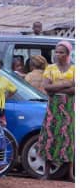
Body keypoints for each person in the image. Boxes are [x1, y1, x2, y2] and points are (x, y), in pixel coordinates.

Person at [37, 41, 74, 179]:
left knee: (69, 137)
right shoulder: (50, 68)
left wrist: (56, 86)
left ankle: (70, 174)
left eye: (61, 52)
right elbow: (47, 87)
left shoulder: (74, 69)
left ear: (68, 54)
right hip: (53, 106)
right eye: (56, 52)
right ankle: (46, 172)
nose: (58, 55)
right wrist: (66, 83)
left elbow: (75, 89)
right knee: (50, 136)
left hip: (70, 107)